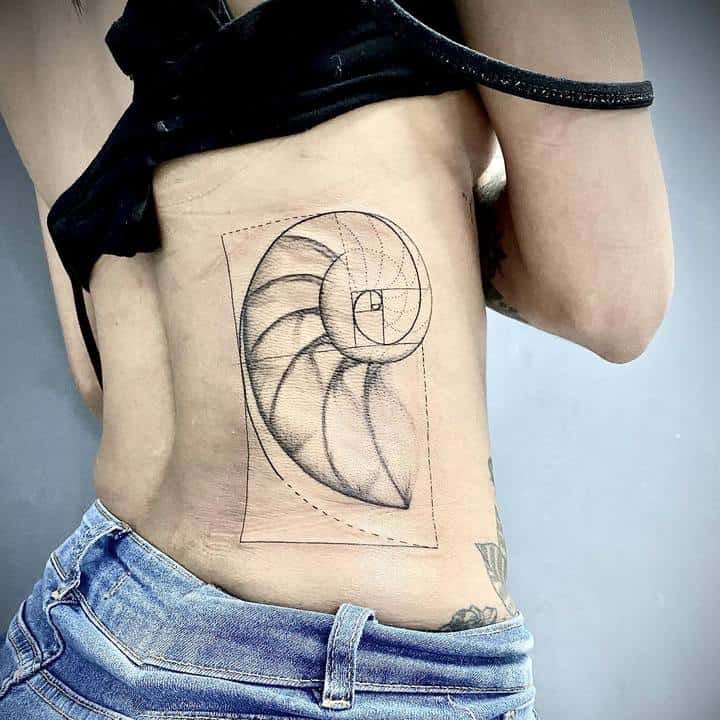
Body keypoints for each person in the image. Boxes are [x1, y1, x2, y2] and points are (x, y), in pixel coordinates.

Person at [0, 1, 673, 718]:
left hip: (83, 635)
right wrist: (429, 186)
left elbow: (100, 377)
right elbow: (609, 298)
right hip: (349, 677)